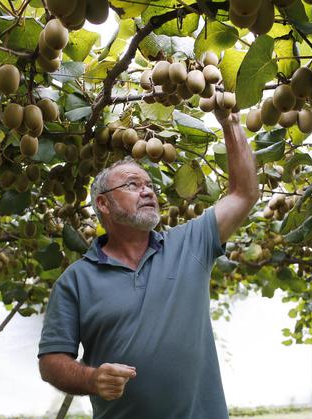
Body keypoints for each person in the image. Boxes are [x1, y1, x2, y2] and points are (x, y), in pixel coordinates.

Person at [37, 112, 258, 419]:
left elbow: (243, 193)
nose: (148, 191)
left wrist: (231, 123)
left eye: (149, 185)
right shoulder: (75, 281)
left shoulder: (189, 243)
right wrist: (92, 378)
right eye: (132, 185)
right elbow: (50, 362)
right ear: (103, 204)